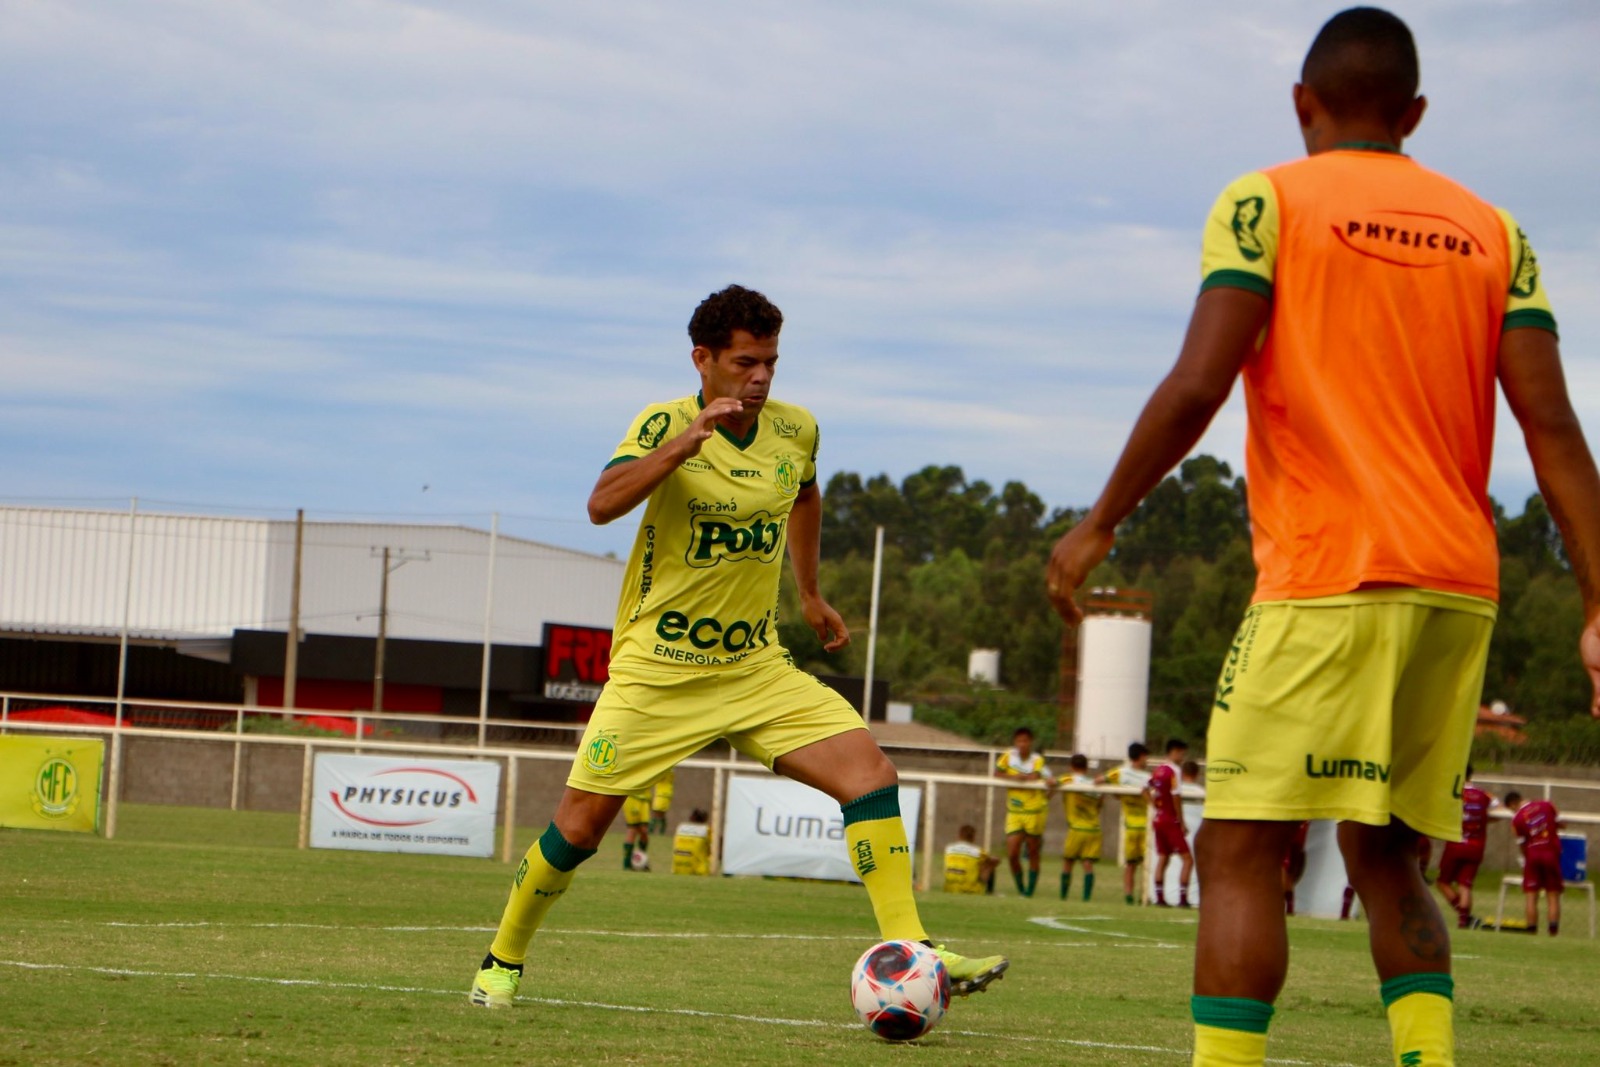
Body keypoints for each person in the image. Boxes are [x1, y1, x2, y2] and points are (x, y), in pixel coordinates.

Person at [1044, 8, 1600, 1065]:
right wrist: (1595, 603)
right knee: (1390, 853)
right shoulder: (1495, 230)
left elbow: (1201, 378)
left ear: (1302, 103)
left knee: (1242, 844)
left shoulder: (1267, 200)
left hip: (1326, 576)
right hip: (1458, 586)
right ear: (1415, 115)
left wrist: (1100, 518)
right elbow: (1554, 426)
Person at [470, 284, 1007, 1007]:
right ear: (704, 359)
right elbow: (601, 504)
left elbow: (806, 495)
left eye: (772, 364)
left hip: (753, 669)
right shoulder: (663, 421)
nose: (761, 377)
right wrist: (687, 441)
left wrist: (810, 592)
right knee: (579, 827)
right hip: (658, 671)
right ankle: (502, 960)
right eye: (747, 362)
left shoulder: (796, 429)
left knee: (871, 773)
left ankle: (913, 951)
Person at [995, 726, 1053, 897]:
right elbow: (997, 773)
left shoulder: (1037, 760)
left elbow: (1035, 776)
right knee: (1012, 853)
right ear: (1015, 742)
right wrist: (1014, 778)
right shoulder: (1008, 756)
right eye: (1019, 740)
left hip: (1033, 811)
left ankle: (1029, 892)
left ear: (1030, 742)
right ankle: (1021, 888)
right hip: (1014, 811)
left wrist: (1025, 778)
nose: (1022, 744)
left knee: (1033, 851)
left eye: (1025, 741)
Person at [1436, 766, 1493, 928]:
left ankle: (1465, 918)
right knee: (1465, 885)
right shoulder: (1483, 795)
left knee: (1442, 882)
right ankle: (1464, 921)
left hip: (1456, 844)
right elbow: (1498, 809)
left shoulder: (1453, 793)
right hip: (1476, 846)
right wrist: (1483, 820)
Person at [1505, 792, 1566, 936]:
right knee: (1553, 895)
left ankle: (1531, 931)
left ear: (1513, 804)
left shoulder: (1516, 820)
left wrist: (1527, 857)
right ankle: (1553, 932)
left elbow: (1521, 844)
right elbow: (1563, 824)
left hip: (1532, 855)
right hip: (1550, 852)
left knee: (1531, 896)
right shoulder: (1547, 804)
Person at [1098, 742, 1152, 904]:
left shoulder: (1126, 774)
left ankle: (1137, 895)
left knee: (1137, 865)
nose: (1147, 760)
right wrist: (1118, 793)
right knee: (1136, 864)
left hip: (1140, 827)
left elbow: (1100, 779)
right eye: (1146, 756)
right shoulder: (1129, 774)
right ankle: (1134, 896)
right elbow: (1101, 780)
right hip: (1138, 826)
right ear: (1141, 756)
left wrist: (1118, 793)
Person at [1148, 739, 1193, 908]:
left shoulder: (1158, 769)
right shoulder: (1174, 771)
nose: (1182, 756)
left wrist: (1153, 805)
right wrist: (1181, 821)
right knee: (1188, 859)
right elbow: (1176, 796)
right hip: (1170, 819)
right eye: (1181, 753)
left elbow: (1145, 788)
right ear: (1173, 751)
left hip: (1158, 818)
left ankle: (1160, 898)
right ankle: (1183, 899)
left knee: (1163, 857)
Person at [1060, 754, 1104, 901]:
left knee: (1068, 863)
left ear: (1071, 767)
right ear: (1086, 767)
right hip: (1093, 829)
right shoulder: (1094, 784)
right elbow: (1100, 804)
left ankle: (1063, 897)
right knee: (1088, 865)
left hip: (1076, 829)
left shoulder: (1068, 779)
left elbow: (1053, 782)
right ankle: (1086, 899)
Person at [944, 824, 1000, 895]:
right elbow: (994, 860)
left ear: (959, 836)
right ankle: (990, 892)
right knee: (989, 864)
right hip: (971, 890)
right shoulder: (978, 851)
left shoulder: (948, 849)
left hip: (949, 889)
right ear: (973, 837)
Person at [671, 808, 712, 876]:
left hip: (677, 868)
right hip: (698, 870)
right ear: (705, 819)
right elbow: (712, 850)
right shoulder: (706, 829)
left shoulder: (680, 827)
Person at [1282, 821, 1310, 916]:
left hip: (1296, 837)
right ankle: (1289, 909)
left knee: (1289, 874)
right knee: (1286, 874)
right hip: (1288, 833)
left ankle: (1289, 909)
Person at [621, 787, 653, 870]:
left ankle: (641, 860)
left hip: (645, 799)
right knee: (633, 829)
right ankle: (627, 864)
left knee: (644, 831)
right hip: (632, 797)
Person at [649, 769, 675, 837]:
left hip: (662, 794)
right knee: (661, 814)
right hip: (665, 794)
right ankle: (661, 831)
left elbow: (657, 778)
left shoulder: (665, 770)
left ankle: (652, 830)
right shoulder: (670, 770)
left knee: (656, 812)